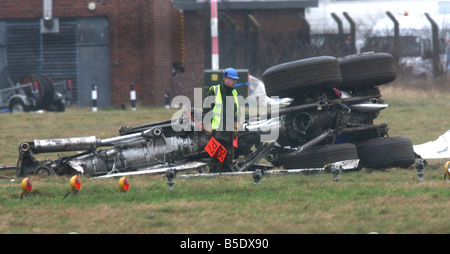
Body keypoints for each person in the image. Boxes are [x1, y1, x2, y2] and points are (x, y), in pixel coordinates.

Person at [203, 67, 240, 173]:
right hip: (216, 132)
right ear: (226, 79)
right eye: (233, 79)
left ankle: (227, 176)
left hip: (228, 132)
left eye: (236, 79)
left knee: (228, 157)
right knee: (214, 158)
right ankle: (213, 175)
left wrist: (235, 128)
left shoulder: (234, 93)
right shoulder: (214, 90)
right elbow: (206, 111)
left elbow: (235, 113)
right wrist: (208, 128)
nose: (235, 81)